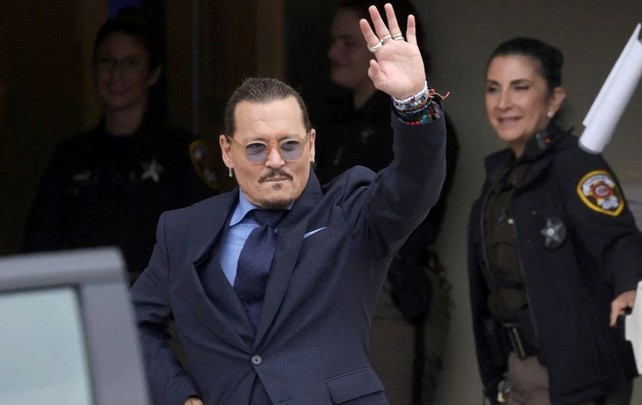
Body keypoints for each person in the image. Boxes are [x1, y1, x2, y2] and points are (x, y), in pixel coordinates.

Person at [130, 3, 447, 404]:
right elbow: (135, 325)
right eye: (257, 148)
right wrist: (181, 396)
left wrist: (413, 101)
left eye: (290, 145)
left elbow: (414, 184)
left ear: (311, 145)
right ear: (227, 151)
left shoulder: (350, 211)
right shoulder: (183, 231)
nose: (276, 160)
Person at [467, 36, 642, 405]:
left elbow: (620, 238)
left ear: (553, 99)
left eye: (520, 87)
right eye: (493, 88)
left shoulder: (575, 164)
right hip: (515, 370)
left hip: (576, 377)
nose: (503, 103)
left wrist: (632, 286)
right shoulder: (499, 177)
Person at [313, 1, 457, 403]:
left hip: (388, 290)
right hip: (322, 290)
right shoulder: (327, 123)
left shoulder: (420, 125)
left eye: (348, 43)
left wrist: (412, 101)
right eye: (334, 41)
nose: (333, 52)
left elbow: (413, 186)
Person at [21, 10, 213, 283]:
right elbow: (38, 245)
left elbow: (205, 245)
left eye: (131, 63)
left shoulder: (179, 151)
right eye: (106, 61)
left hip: (159, 302)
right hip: (85, 296)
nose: (116, 74)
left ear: (153, 73)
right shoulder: (71, 156)